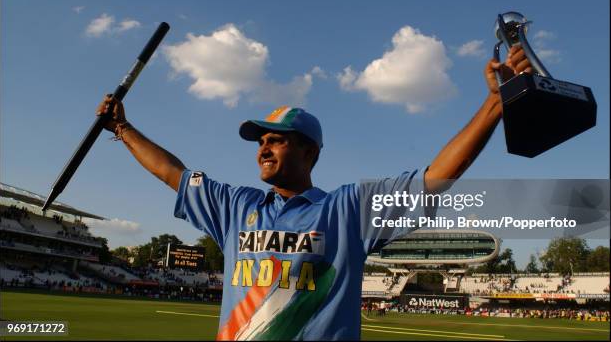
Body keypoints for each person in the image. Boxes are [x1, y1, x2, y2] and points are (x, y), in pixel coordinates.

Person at [96, 45, 532, 340]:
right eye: (260, 140)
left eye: (276, 139)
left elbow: (436, 176)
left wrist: (494, 105)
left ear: (309, 151)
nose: (263, 146)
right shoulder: (235, 206)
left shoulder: (347, 209)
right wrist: (122, 128)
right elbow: (173, 172)